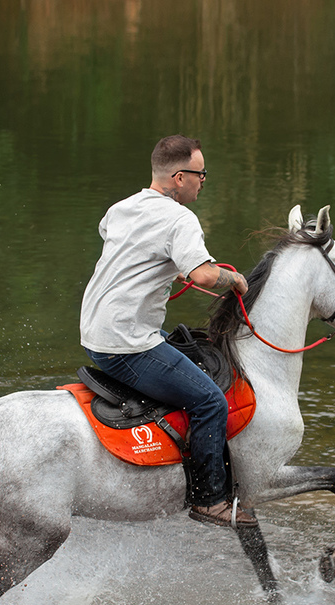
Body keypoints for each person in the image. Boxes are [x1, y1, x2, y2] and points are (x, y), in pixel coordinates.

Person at [80, 135, 255, 529]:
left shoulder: (121, 208)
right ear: (179, 177)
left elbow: (122, 243)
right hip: (127, 344)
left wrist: (164, 267)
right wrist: (234, 278)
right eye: (200, 174)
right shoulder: (180, 219)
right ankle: (210, 500)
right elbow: (204, 275)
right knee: (210, 400)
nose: (203, 181)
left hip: (95, 331)